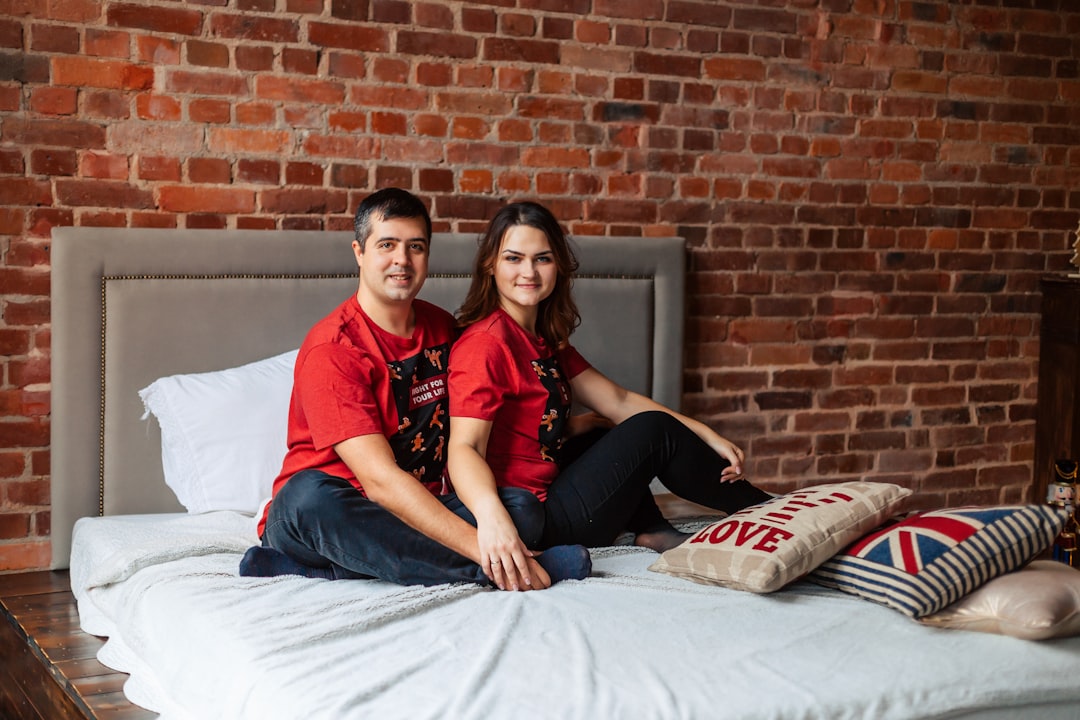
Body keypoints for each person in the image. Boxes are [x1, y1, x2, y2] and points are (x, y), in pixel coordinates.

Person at [239, 188, 590, 591]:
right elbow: (379, 481)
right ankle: (505, 570)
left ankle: (322, 571)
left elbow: (491, 404)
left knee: (521, 508)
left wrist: (573, 424)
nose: (402, 260)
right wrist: (487, 550)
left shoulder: (441, 327)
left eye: (415, 247)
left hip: (415, 507)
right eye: (387, 245)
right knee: (309, 496)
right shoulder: (334, 349)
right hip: (330, 511)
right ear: (359, 252)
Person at [447, 201, 773, 581]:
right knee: (653, 430)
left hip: (549, 494)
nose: (529, 272)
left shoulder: (542, 340)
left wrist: (705, 433)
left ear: (558, 265)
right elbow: (464, 448)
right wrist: (492, 520)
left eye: (542, 259)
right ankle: (762, 510)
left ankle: (652, 530)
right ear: (491, 264)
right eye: (513, 258)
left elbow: (618, 400)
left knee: (606, 430)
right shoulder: (485, 344)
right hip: (531, 519)